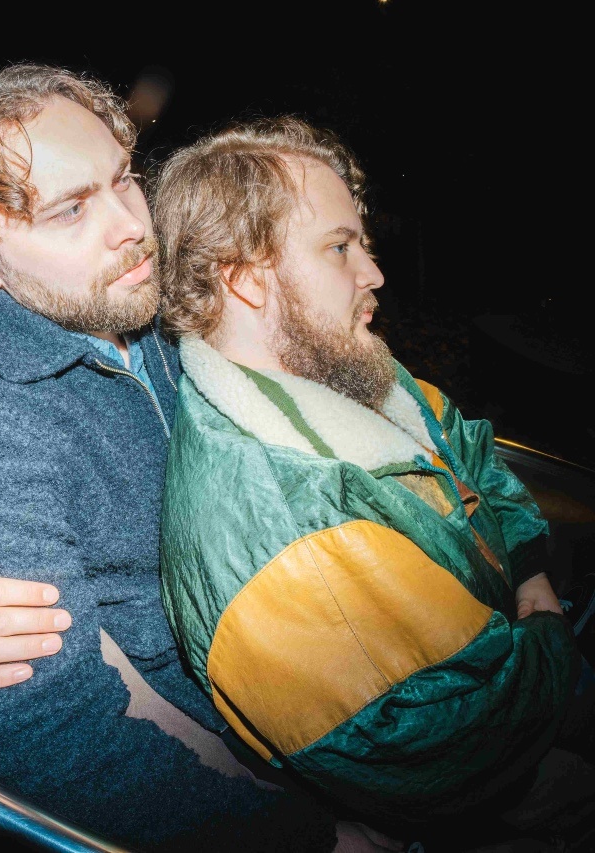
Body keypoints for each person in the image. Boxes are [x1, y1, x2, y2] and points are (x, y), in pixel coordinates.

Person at [0, 63, 392, 852]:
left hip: (353, 694)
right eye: (70, 210)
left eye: (123, 179)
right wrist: (306, 836)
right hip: (256, 783)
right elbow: (54, 745)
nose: (131, 223)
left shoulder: (155, 307)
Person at [151, 115, 592, 840]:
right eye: (339, 247)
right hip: (502, 770)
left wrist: (529, 568)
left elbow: (465, 445)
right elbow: (450, 749)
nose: (374, 273)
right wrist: (547, 632)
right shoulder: (287, 539)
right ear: (244, 279)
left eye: (363, 243)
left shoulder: (338, 367)